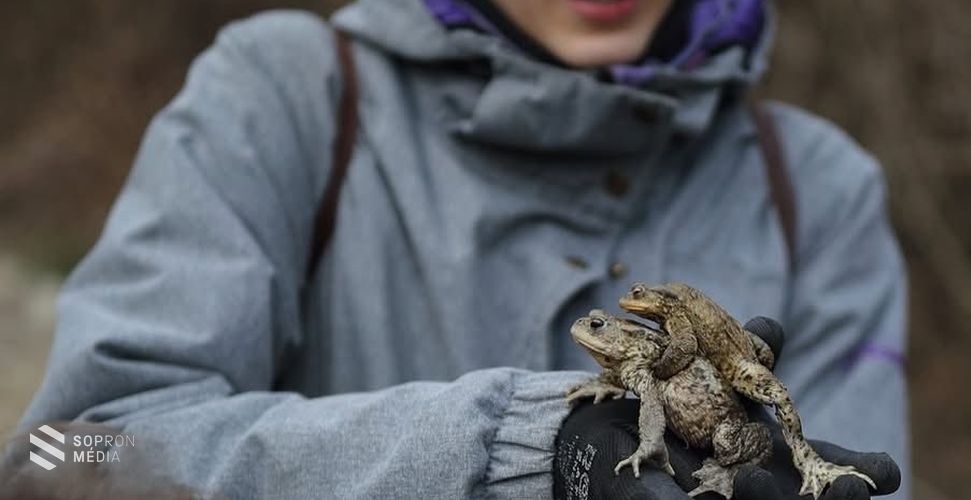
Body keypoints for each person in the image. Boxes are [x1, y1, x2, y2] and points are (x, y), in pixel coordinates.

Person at [17, 0, 910, 498]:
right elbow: (59, 459)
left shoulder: (817, 189)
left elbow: (851, 476)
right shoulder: (282, 96)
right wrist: (512, 452)